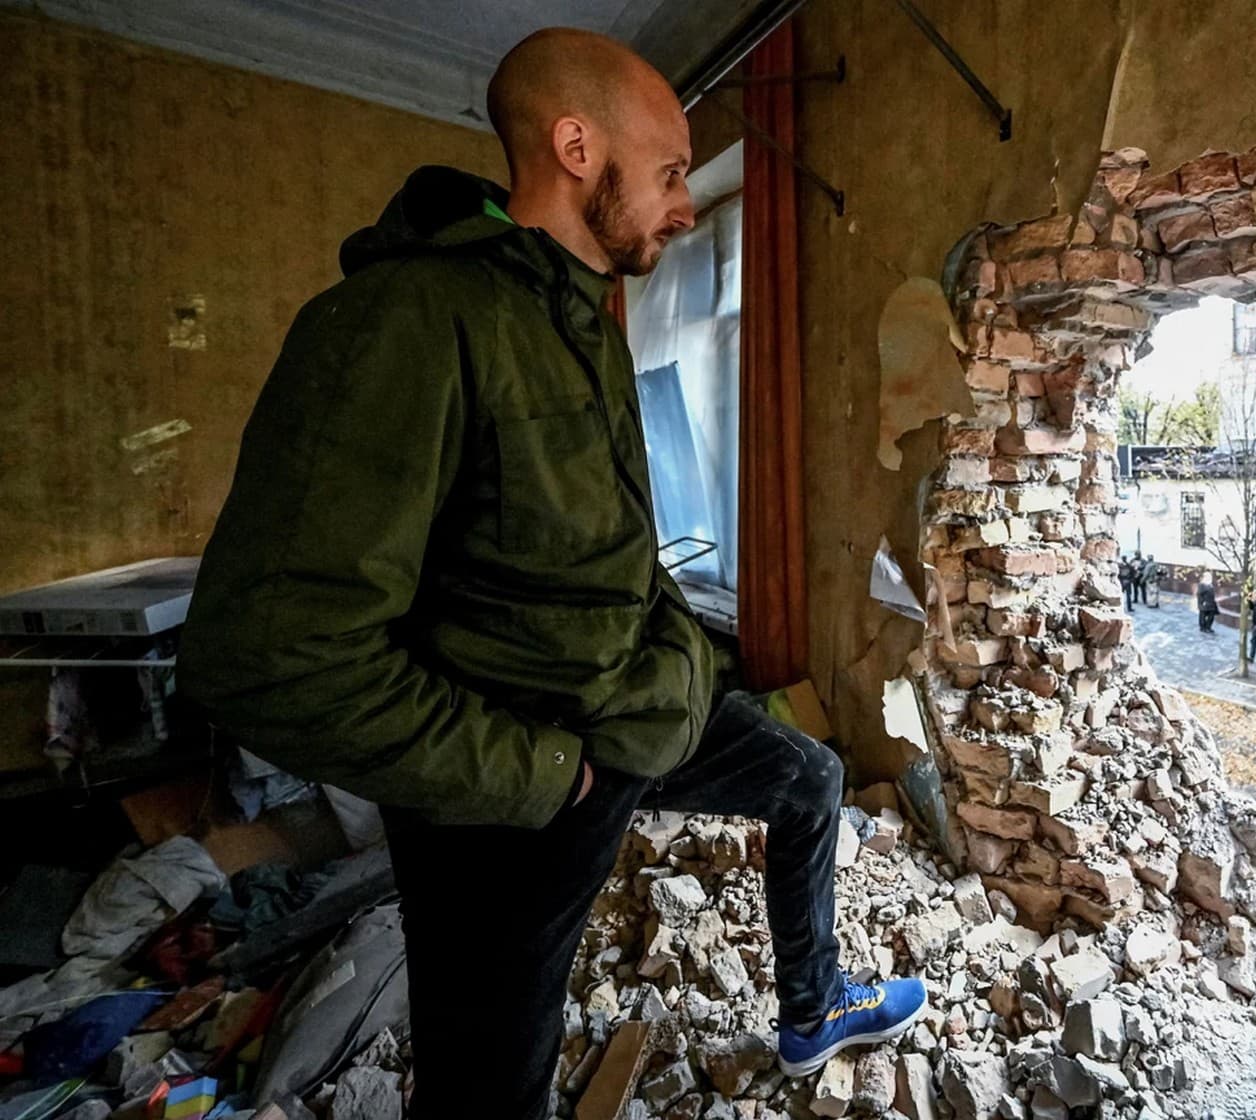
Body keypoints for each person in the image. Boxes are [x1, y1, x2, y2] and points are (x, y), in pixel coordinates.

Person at [176, 29, 924, 1120]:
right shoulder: (405, 322)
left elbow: (605, 549)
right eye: (671, 172)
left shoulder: (576, 320)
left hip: (628, 720)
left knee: (806, 777)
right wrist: (539, 775)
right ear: (577, 146)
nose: (684, 205)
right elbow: (269, 656)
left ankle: (810, 1009)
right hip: (507, 801)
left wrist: (672, 662)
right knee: (490, 1090)